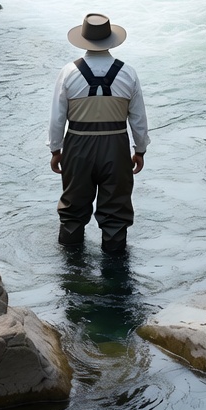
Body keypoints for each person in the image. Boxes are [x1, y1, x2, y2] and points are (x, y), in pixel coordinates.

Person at [48, 13, 149, 253]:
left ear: (84, 41)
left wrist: (55, 149)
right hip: (116, 147)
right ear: (110, 41)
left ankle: (72, 272)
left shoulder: (68, 72)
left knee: (72, 210)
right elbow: (138, 119)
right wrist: (140, 150)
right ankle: (115, 275)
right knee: (116, 212)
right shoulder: (128, 73)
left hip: (77, 145)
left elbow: (57, 118)